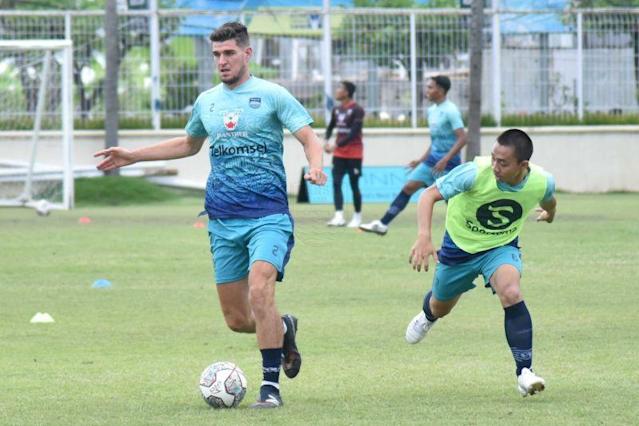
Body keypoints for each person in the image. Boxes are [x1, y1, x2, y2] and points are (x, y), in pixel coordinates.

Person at [94, 22, 327, 409]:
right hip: (222, 219)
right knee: (238, 319)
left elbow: (308, 137)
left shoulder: (272, 95)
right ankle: (283, 327)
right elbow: (189, 143)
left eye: (229, 53)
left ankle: (270, 388)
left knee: (260, 289)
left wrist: (315, 166)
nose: (221, 61)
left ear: (247, 53)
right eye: (216, 54)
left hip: (268, 214)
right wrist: (133, 155)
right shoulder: (207, 102)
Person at [406, 129, 557, 397]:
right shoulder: (473, 173)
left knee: (511, 292)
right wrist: (424, 237)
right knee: (440, 306)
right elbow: (428, 195)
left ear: (523, 166)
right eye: (494, 158)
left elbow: (549, 199)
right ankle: (429, 316)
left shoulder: (542, 181)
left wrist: (550, 213)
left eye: (503, 162)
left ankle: (525, 372)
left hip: (499, 246)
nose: (495, 166)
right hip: (459, 248)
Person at [359, 75, 467, 235]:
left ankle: (466, 233)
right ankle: (382, 224)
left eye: (430, 87)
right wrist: (420, 160)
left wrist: (446, 159)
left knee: (452, 201)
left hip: (448, 164)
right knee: (409, 187)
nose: (427, 90)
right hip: (431, 161)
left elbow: (462, 138)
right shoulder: (432, 110)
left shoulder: (451, 111)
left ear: (441, 90)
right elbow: (435, 141)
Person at [324, 81, 366, 228]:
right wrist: (326, 141)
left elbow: (354, 132)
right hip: (339, 155)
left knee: (354, 185)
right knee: (336, 183)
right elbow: (330, 127)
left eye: (339, 88)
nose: (336, 91)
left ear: (347, 92)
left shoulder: (357, 109)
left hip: (354, 154)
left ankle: (357, 216)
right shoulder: (336, 109)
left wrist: (336, 145)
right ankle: (339, 216)